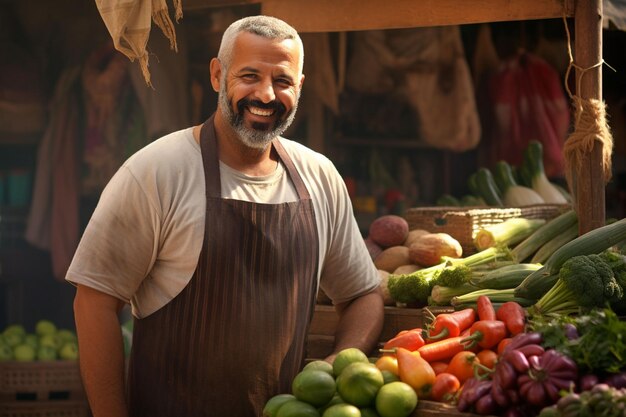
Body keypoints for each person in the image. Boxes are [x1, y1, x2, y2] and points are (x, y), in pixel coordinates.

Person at [67, 15, 384, 417]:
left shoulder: (319, 177)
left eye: (283, 81)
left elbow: (362, 295)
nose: (266, 95)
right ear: (218, 75)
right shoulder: (156, 171)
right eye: (249, 76)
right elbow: (94, 302)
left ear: (300, 87)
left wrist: (338, 362)